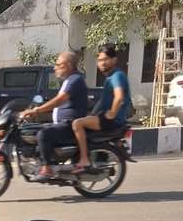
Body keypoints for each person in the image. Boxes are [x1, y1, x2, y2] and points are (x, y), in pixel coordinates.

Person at [21, 52, 88, 181]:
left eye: (58, 64)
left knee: (43, 134)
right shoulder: (69, 80)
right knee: (33, 131)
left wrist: (37, 110)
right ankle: (43, 162)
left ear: (68, 65)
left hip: (69, 125)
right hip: (62, 123)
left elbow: (59, 100)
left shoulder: (75, 80)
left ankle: (48, 169)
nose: (55, 67)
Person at [72, 44, 132, 173]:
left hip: (113, 120)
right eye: (99, 60)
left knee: (77, 124)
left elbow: (119, 96)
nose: (102, 63)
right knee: (82, 123)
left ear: (114, 60)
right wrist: (91, 114)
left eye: (105, 59)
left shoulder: (117, 76)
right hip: (107, 117)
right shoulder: (109, 78)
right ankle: (96, 157)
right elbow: (101, 101)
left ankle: (84, 159)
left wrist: (111, 113)